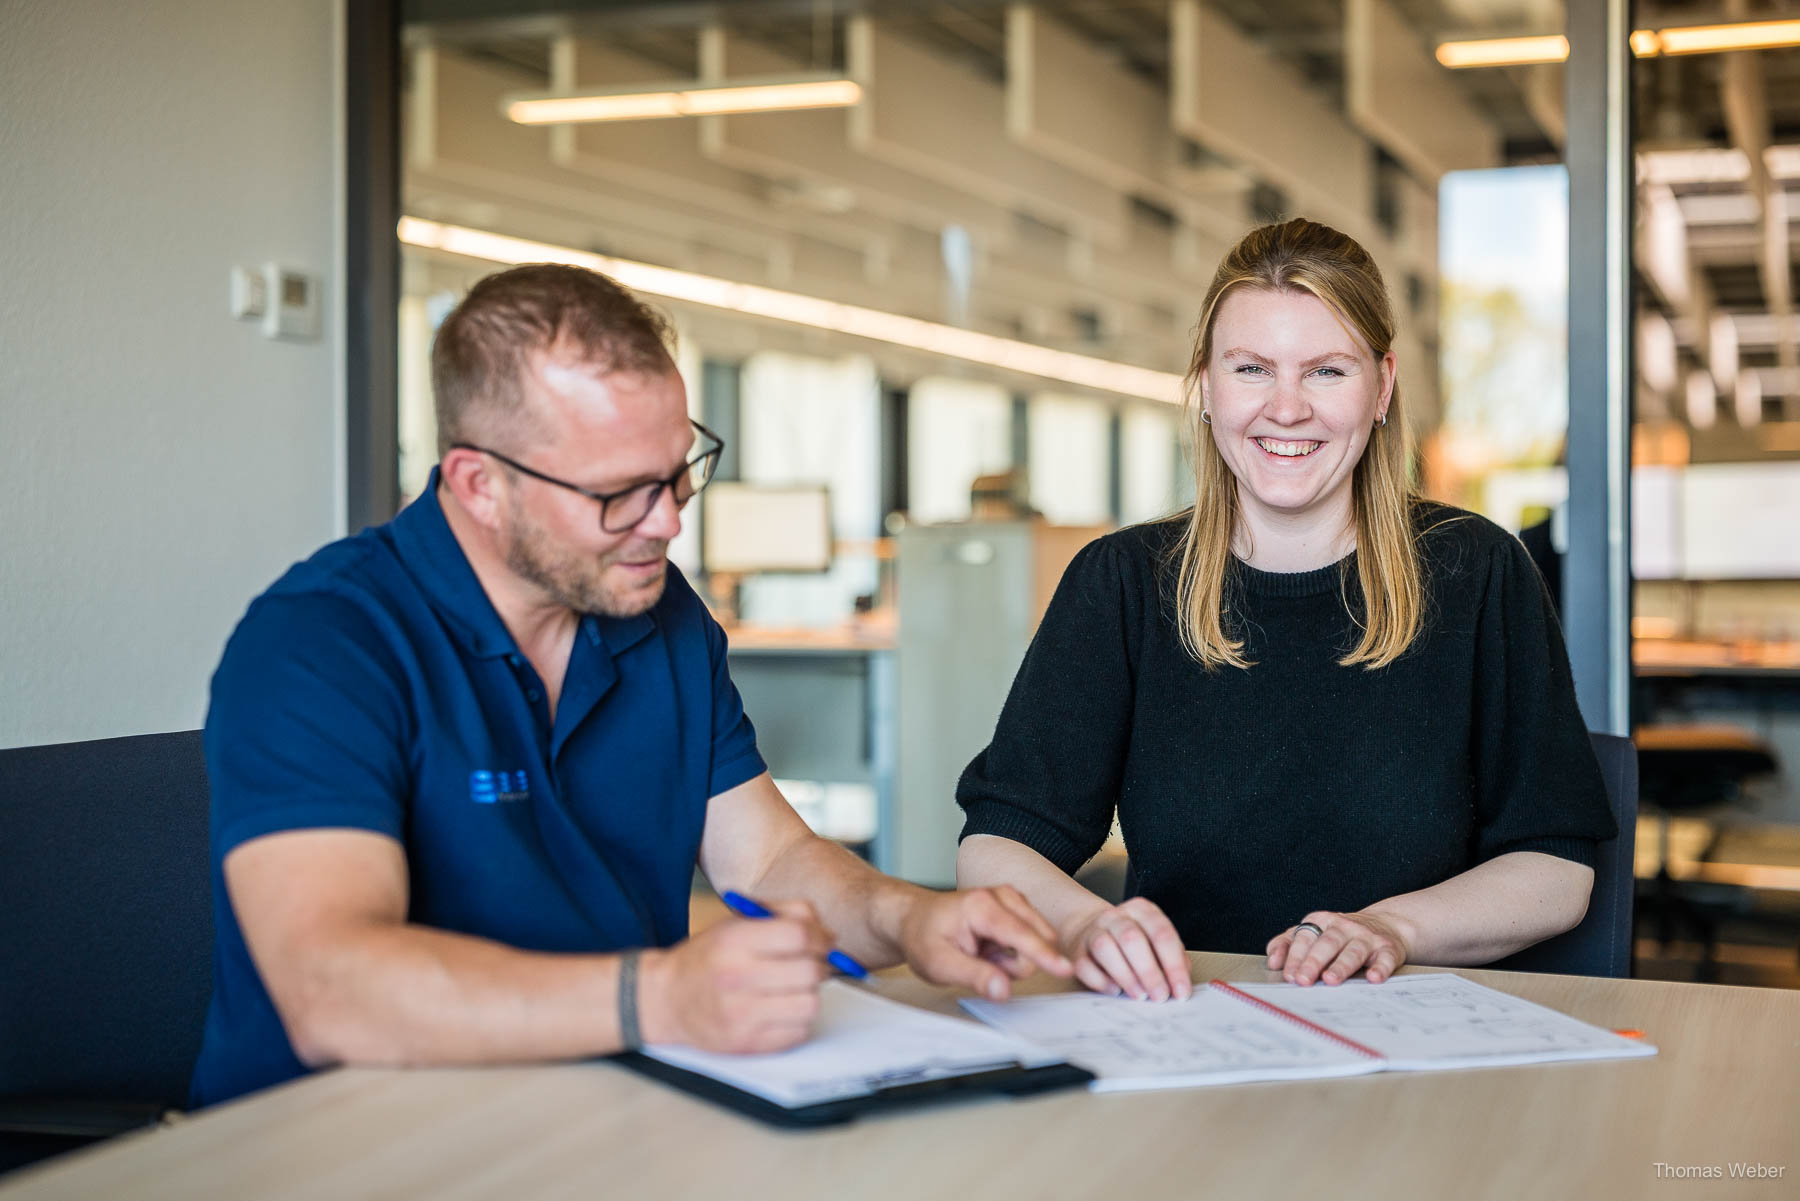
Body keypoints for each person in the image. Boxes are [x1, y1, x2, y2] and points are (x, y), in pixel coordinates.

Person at [191, 263, 1070, 1106]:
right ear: (480, 484)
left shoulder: (661, 614)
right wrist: (659, 996)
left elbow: (770, 861)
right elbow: (331, 989)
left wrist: (908, 918)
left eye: (679, 472)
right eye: (620, 492)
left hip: (600, 1101)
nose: (668, 521)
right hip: (343, 1136)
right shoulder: (321, 643)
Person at [955, 218, 1615, 1002]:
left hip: (1415, 1030)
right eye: (1252, 369)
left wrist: (1392, 928)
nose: (1288, 408)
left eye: (1327, 371)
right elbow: (994, 846)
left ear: (1382, 386)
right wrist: (1084, 925)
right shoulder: (1123, 583)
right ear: (1207, 385)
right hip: (1187, 1022)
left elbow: (1556, 870)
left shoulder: (1477, 571)